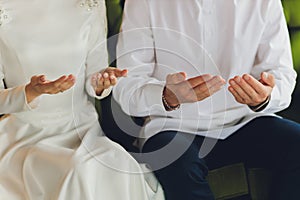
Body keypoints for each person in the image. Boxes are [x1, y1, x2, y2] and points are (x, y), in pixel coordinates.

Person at [113, 0, 300, 199]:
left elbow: (282, 76)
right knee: (178, 164)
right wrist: (167, 96)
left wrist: (264, 96)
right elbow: (127, 87)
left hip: (245, 121)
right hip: (171, 125)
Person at [0, 0, 165, 199]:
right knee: (77, 170)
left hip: (82, 129)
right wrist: (29, 92)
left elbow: (94, 76)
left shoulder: (90, 3)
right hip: (24, 135)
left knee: (117, 164)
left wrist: (102, 82)